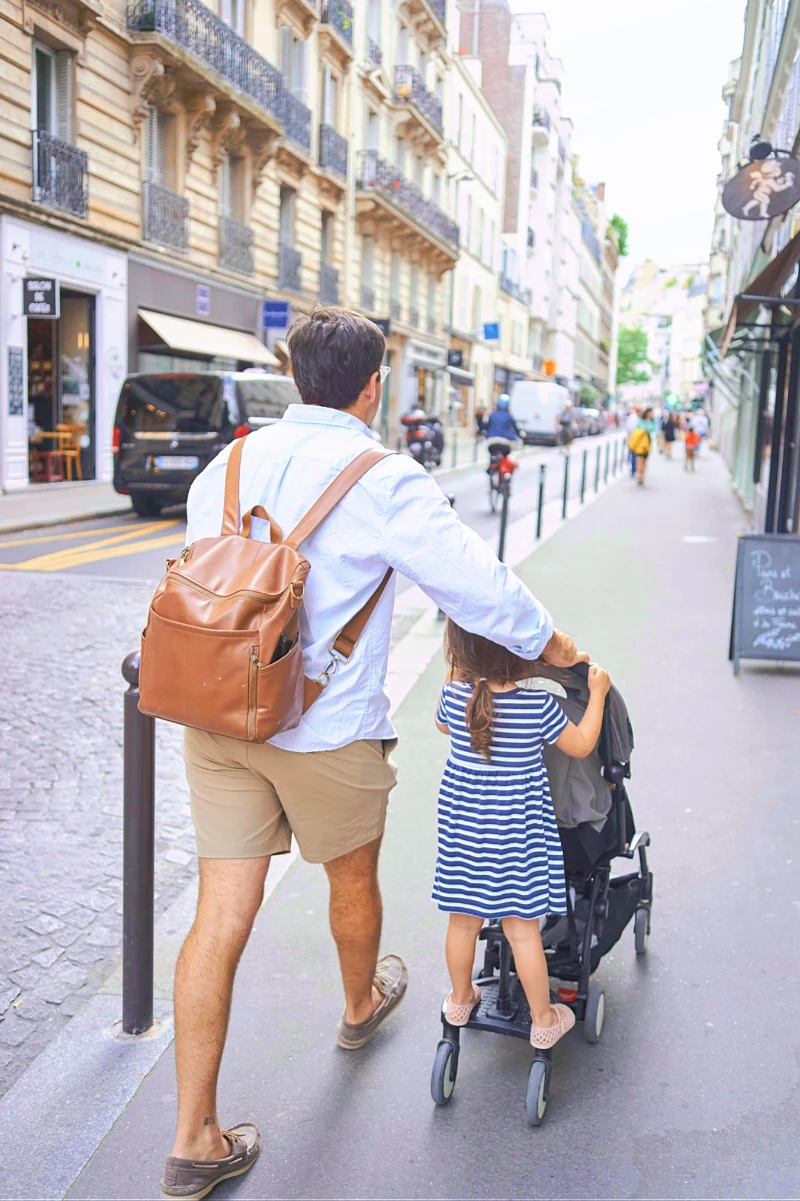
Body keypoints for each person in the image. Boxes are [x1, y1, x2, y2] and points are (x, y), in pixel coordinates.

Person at [160, 307, 587, 1200]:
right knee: (350, 881)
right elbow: (479, 590)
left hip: (221, 722)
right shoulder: (384, 478)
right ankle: (360, 1007)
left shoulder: (224, 465)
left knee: (220, 915)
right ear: (373, 384)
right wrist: (562, 651)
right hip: (325, 728)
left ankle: (195, 1135)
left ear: (289, 370)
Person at [432, 621, 611, 1046]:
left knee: (463, 921)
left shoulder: (455, 697)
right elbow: (583, 744)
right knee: (521, 928)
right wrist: (598, 693)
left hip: (463, 832)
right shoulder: (537, 707)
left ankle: (460, 1000)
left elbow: (443, 726)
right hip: (516, 836)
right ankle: (544, 1018)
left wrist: (459, 665)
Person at [629, 407, 655, 486]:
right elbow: (636, 432)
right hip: (640, 443)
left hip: (648, 443)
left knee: (644, 461)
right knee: (640, 460)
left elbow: (655, 430)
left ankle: (642, 475)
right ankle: (639, 475)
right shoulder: (640, 422)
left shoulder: (652, 422)